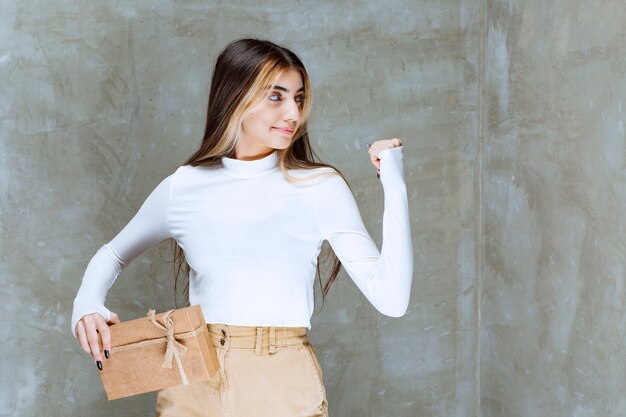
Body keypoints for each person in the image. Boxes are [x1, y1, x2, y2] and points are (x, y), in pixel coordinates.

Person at [71, 38, 413, 417]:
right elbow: (113, 254)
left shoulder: (320, 187)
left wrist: (393, 182)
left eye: (298, 99)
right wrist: (86, 305)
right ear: (235, 97)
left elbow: (392, 300)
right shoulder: (185, 186)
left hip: (282, 381)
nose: (292, 114)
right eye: (276, 97)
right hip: (193, 376)